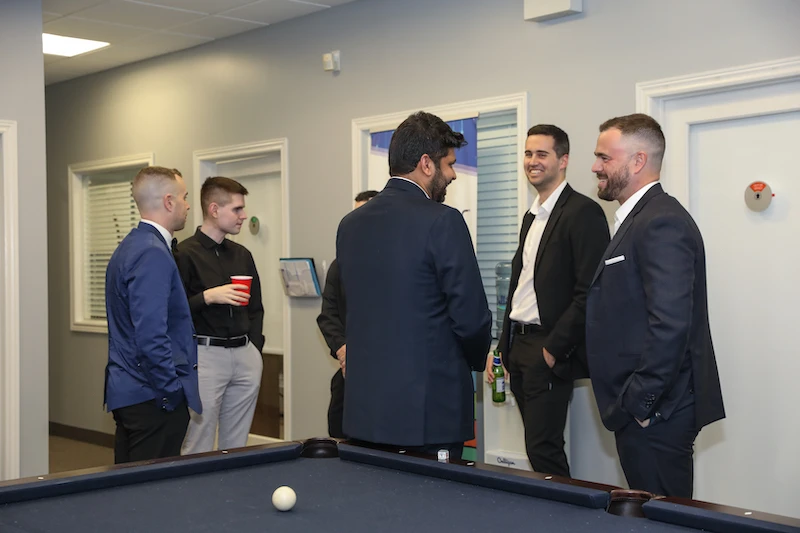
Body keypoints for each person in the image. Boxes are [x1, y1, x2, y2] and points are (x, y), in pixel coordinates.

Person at [336, 111, 492, 458]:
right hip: (428, 411)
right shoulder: (444, 221)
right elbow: (471, 317)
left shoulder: (350, 225)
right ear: (426, 164)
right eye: (449, 164)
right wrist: (473, 360)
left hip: (366, 412)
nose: (453, 175)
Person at [586, 113, 725, 498]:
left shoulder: (662, 221)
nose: (595, 167)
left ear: (638, 161)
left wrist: (640, 405)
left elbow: (671, 324)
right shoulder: (639, 218)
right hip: (645, 412)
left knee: (663, 518)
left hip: (658, 413)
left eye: (604, 157)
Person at [490, 125, 609, 478]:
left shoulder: (583, 212)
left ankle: (565, 509)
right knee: (536, 448)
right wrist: (503, 348)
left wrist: (553, 349)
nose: (532, 161)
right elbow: (521, 286)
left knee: (543, 449)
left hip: (547, 348)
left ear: (564, 160)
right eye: (528, 154)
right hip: (519, 347)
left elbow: (591, 290)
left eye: (542, 154)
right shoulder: (532, 215)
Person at [104, 166, 201, 464]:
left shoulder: (131, 245)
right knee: (152, 487)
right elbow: (151, 335)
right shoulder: (151, 252)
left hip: (133, 391)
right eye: (184, 197)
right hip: (150, 396)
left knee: (129, 484)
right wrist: (171, 393)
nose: (188, 205)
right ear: (169, 201)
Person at [176, 177, 265, 454]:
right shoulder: (184, 254)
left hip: (245, 354)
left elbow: (256, 307)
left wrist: (255, 348)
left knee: (237, 442)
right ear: (214, 210)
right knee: (199, 438)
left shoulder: (242, 254)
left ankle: (233, 483)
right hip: (205, 356)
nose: (243, 215)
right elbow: (172, 311)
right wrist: (207, 297)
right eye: (237, 209)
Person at [316, 190, 379, 439]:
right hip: (348, 372)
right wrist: (343, 351)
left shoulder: (398, 263)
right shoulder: (339, 265)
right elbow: (327, 315)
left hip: (383, 373)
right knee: (338, 434)